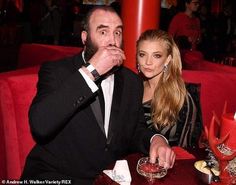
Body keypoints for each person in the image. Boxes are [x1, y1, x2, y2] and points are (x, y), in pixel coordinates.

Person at [21, 6, 175, 184]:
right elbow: (40, 124)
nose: (113, 41)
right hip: (56, 177)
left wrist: (155, 140)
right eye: (103, 32)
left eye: (118, 32)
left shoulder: (132, 81)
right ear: (85, 38)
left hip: (109, 178)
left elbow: (135, 129)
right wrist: (92, 71)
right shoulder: (57, 71)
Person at [136, 29, 202, 148]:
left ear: (167, 59)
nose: (147, 62)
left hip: (169, 164)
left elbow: (187, 148)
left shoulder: (182, 96)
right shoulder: (133, 88)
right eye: (142, 54)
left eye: (157, 56)